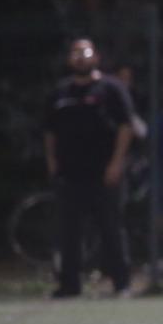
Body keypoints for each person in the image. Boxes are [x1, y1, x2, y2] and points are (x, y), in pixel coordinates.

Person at [43, 39, 134, 298]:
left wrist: (116, 163)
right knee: (68, 232)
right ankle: (69, 285)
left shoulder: (111, 89)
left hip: (104, 173)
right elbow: (49, 132)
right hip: (70, 174)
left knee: (111, 229)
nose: (80, 57)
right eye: (75, 53)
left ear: (95, 57)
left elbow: (125, 127)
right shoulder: (59, 94)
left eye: (85, 52)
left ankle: (121, 283)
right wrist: (52, 162)